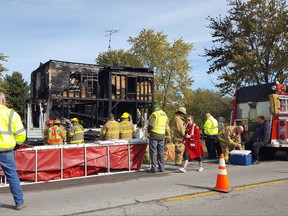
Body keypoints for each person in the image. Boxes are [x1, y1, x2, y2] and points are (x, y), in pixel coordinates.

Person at [0, 92, 27, 210]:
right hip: (6, 150)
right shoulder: (12, 114)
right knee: (12, 176)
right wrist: (16, 145)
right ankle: (19, 202)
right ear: (3, 100)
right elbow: (21, 134)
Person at [146, 104, 169, 173]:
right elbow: (167, 124)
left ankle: (154, 168)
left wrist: (148, 130)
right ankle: (161, 167)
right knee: (161, 152)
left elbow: (151, 125)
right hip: (162, 135)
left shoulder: (154, 114)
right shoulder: (164, 114)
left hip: (154, 135)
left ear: (154, 109)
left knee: (153, 152)